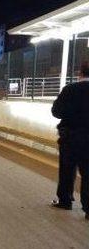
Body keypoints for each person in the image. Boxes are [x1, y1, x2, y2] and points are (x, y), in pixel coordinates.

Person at [51, 63, 89, 220]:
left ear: (80, 73)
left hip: (71, 137)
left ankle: (65, 200)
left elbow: (56, 112)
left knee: (67, 169)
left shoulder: (70, 89)